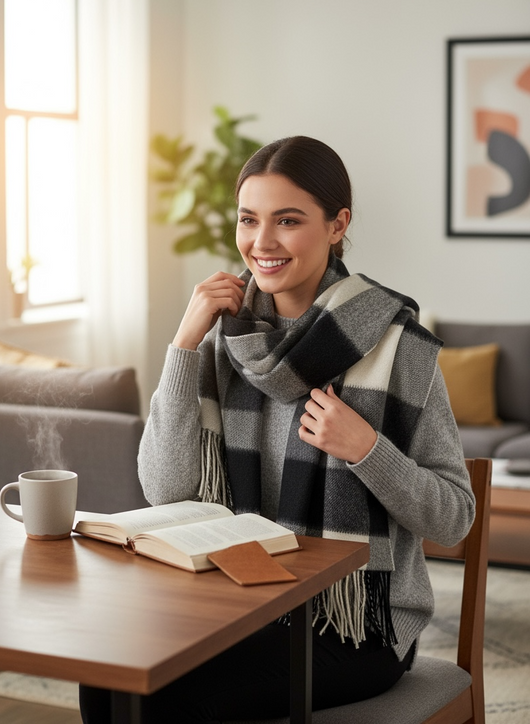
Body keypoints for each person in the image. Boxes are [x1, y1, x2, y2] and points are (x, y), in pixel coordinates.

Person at [80, 135, 475, 723]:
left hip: (353, 624)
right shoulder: (222, 337)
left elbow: (454, 518)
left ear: (337, 224)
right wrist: (184, 343)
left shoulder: (397, 347)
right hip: (232, 600)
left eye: (287, 221)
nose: (261, 243)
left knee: (165, 694)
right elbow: (164, 487)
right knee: (107, 675)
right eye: (248, 220)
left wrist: (367, 450)